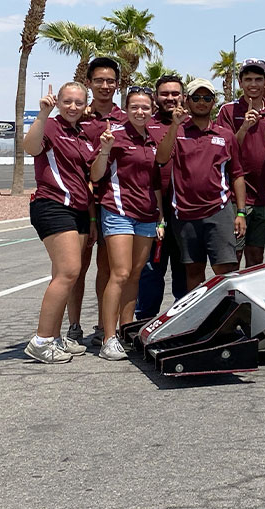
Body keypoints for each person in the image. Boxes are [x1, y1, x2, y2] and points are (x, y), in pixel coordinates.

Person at [22, 83, 96, 363]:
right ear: (59, 101)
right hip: (53, 205)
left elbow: (86, 178)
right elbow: (30, 147)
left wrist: (90, 218)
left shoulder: (82, 134)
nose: (73, 107)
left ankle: (53, 337)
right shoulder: (50, 126)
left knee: (64, 276)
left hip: (78, 209)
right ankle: (41, 341)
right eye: (67, 101)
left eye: (78, 102)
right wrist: (42, 115)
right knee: (69, 272)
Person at [89, 87, 164, 360]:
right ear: (126, 108)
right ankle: (107, 338)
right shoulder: (114, 135)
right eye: (135, 107)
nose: (140, 112)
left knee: (135, 274)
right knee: (119, 274)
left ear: (152, 109)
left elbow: (155, 181)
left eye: (145, 107)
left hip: (146, 215)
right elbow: (96, 175)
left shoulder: (154, 138)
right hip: (118, 212)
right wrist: (104, 150)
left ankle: (125, 329)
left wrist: (160, 215)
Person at [156, 78, 247, 290]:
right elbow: (160, 158)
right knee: (193, 271)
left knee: (226, 270)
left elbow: (237, 174)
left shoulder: (225, 135)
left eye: (207, 97)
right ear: (187, 101)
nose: (201, 102)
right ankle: (199, 321)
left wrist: (240, 212)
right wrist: (174, 126)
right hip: (185, 214)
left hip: (219, 211)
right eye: (196, 97)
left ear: (213, 101)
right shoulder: (176, 132)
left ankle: (228, 318)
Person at [69, 56, 128, 347]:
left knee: (106, 269)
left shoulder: (126, 119)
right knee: (76, 268)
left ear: (117, 85)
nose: (105, 86)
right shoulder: (78, 117)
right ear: (89, 83)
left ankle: (104, 327)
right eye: (99, 80)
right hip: (79, 203)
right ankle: (73, 326)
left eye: (110, 81)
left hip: (111, 205)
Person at [217, 59, 265, 267]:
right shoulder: (228, 110)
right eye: (248, 79)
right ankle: (230, 300)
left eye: (258, 79)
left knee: (256, 259)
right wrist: (244, 127)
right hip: (235, 198)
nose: (253, 84)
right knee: (233, 257)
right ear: (241, 82)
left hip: (262, 197)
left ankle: (249, 301)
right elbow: (224, 152)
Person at [137, 75, 187, 319]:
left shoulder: (194, 124)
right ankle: (143, 322)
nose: (170, 98)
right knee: (150, 271)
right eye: (165, 94)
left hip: (187, 212)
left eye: (175, 93)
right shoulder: (145, 124)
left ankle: (182, 324)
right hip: (153, 211)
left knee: (184, 271)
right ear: (156, 97)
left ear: (183, 96)